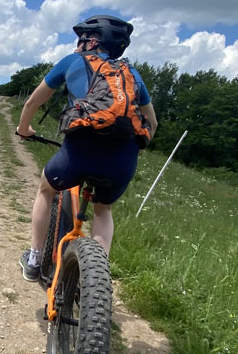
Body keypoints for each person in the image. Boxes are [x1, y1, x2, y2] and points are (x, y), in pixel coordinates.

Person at [15, 15, 157, 282]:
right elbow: (153, 123)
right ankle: (96, 278)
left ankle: (34, 259)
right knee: (103, 209)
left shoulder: (72, 62)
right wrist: (132, 152)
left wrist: (24, 130)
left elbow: (32, 102)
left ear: (91, 41)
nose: (77, 45)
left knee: (45, 189)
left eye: (80, 40)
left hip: (80, 151)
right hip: (122, 158)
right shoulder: (132, 74)